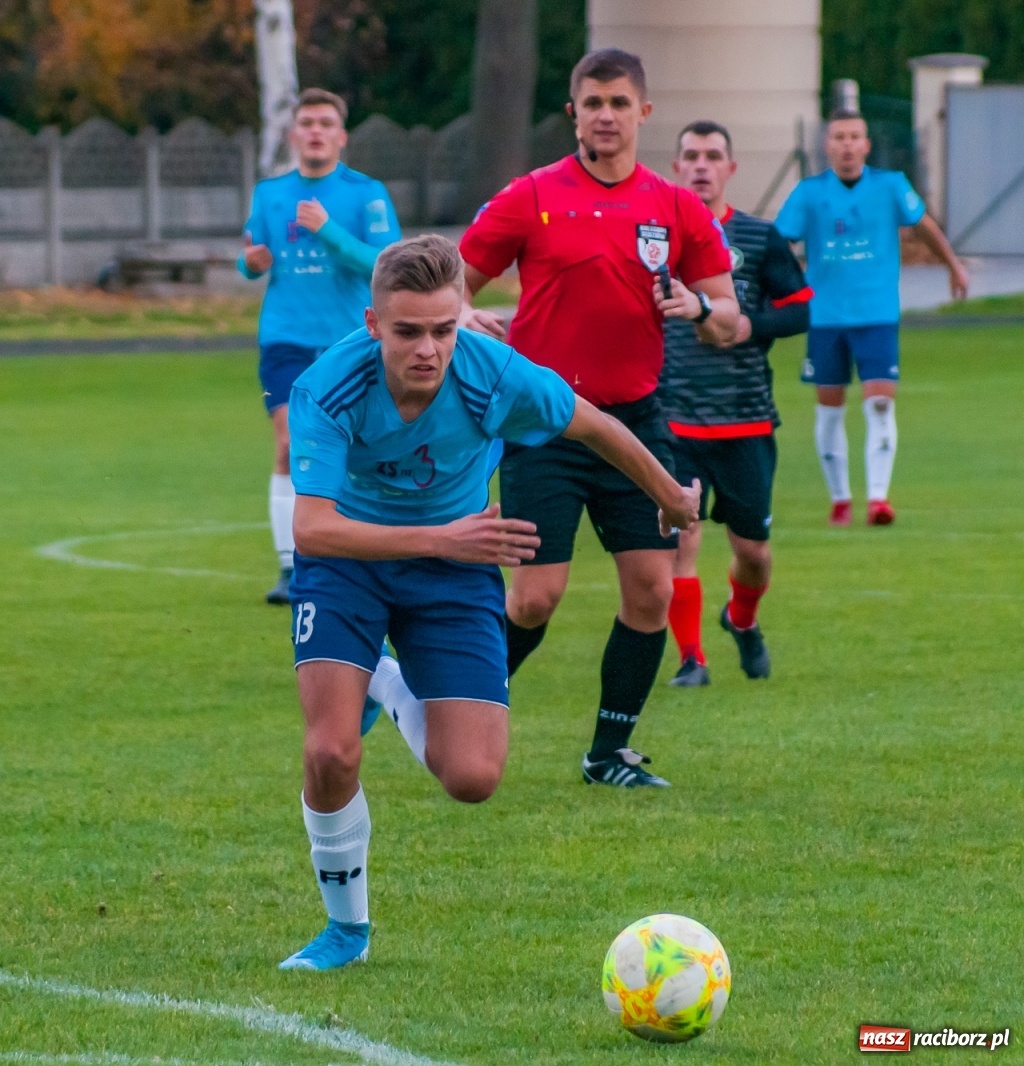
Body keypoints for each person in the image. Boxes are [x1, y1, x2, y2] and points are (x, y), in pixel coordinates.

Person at [279, 235, 699, 970]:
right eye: (408, 331)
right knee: (331, 750)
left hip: (453, 565)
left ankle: (382, 675)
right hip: (353, 561)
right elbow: (312, 527)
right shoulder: (329, 384)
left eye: (445, 328)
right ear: (373, 323)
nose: (429, 350)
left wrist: (670, 496)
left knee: (473, 779)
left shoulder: (493, 372)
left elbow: (594, 424)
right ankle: (346, 932)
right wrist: (440, 538)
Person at [417, 48, 739, 788]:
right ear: (573, 112)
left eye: (619, 103)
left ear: (642, 113)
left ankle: (608, 754)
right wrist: (465, 315)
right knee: (533, 597)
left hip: (635, 424)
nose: (605, 115)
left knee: (652, 591)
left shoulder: (675, 207)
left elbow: (730, 317)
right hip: (543, 424)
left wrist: (699, 307)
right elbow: (451, 287)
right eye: (592, 102)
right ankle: (448, 707)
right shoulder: (531, 196)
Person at [663, 121, 812, 686]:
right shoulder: (658, 240)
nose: (701, 165)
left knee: (753, 552)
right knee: (682, 539)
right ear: (676, 167)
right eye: (691, 155)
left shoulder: (757, 237)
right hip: (674, 421)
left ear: (731, 168)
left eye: (713, 156)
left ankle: (741, 620)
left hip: (746, 423)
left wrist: (749, 325)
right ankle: (690, 659)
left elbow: (800, 309)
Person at [239, 87, 399, 605]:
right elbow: (249, 256)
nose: (315, 131)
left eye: (325, 122)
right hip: (285, 336)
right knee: (289, 443)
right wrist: (251, 263)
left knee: (355, 449)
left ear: (341, 135)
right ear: (293, 134)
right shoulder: (270, 193)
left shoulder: (366, 193)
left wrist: (328, 231)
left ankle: (359, 551)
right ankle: (291, 567)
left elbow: (385, 263)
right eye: (306, 122)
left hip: (350, 340)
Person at [774, 109, 968, 527]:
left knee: (879, 405)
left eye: (854, 137)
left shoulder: (890, 186)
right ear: (827, 145)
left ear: (866, 144)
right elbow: (778, 244)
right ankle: (840, 499)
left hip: (877, 314)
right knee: (829, 411)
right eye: (839, 137)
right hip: (825, 316)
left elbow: (924, 226)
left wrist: (953, 265)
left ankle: (878, 499)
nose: (847, 145)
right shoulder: (809, 193)